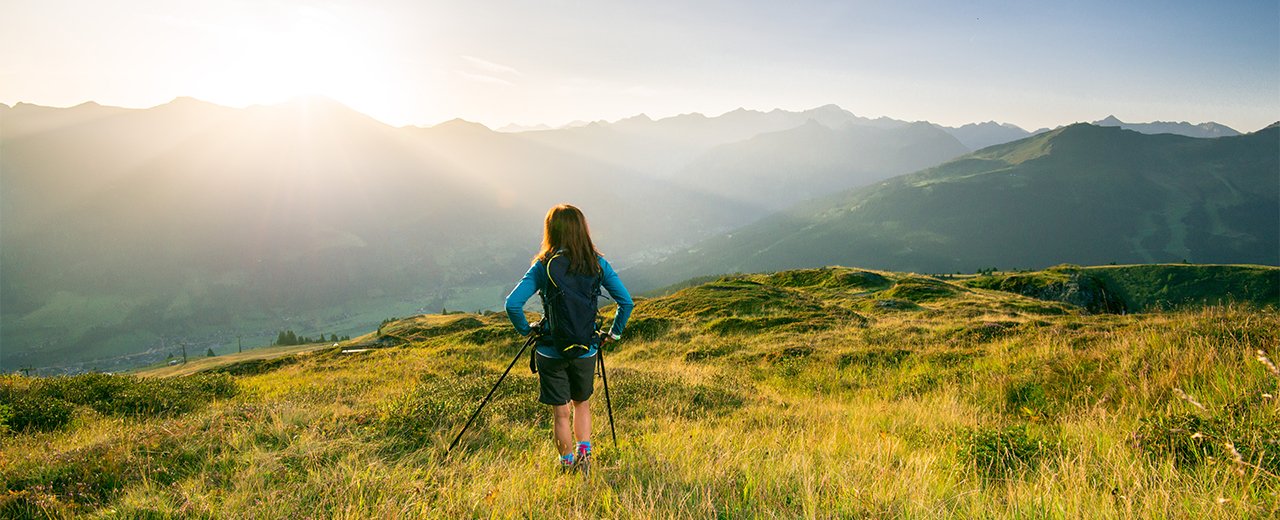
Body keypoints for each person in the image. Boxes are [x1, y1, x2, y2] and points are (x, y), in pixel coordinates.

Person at [505, 204, 633, 474]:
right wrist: (614, 333)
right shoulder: (596, 263)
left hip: (550, 350)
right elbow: (626, 302)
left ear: (551, 230)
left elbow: (512, 304)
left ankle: (566, 465)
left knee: (560, 413)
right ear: (582, 229)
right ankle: (584, 459)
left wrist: (527, 330)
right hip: (586, 348)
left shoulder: (543, 266)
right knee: (581, 404)